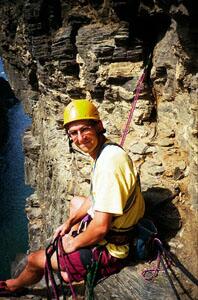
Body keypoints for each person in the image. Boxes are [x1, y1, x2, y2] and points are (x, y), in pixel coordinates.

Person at [0, 99, 145, 295]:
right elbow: (94, 197)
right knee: (76, 202)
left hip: (112, 251)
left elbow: (101, 228)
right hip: (116, 228)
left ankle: (13, 287)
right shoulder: (106, 151)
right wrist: (70, 222)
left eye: (84, 129)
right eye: (73, 133)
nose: (80, 138)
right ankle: (69, 264)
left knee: (34, 260)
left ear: (99, 126)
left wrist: (72, 244)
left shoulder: (109, 165)